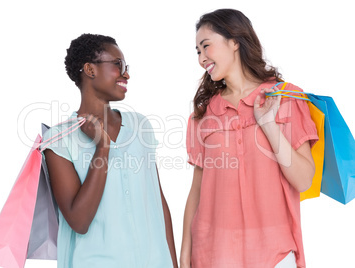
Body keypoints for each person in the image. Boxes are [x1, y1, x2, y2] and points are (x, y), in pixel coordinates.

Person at [180, 9, 318, 268]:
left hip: (274, 254)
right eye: (197, 51)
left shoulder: (286, 98)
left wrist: (269, 125)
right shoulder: (203, 113)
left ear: (234, 42)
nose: (201, 58)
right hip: (212, 256)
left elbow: (304, 179)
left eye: (206, 46)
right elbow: (196, 191)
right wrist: (184, 256)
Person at [41, 33, 177, 268]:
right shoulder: (58, 139)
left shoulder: (140, 125)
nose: (126, 74)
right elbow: (79, 221)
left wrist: (173, 263)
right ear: (90, 70)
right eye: (118, 65)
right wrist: (102, 148)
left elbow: (158, 203)